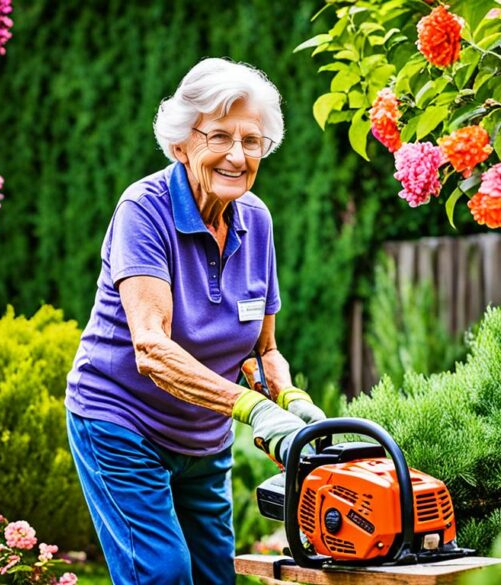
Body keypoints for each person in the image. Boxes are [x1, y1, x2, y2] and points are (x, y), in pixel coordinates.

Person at [64, 57, 326, 585]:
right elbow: (151, 348)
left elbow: (262, 348)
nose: (236, 155)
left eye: (251, 141)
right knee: (161, 574)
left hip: (203, 436)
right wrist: (252, 409)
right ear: (181, 143)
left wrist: (293, 402)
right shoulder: (144, 210)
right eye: (219, 137)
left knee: (214, 577)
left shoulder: (257, 219)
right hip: (122, 422)